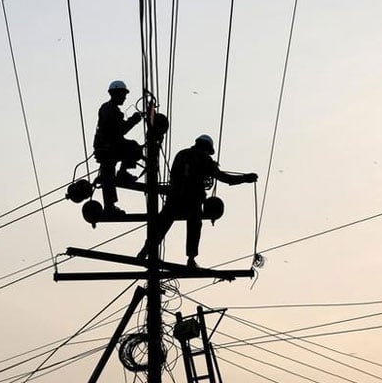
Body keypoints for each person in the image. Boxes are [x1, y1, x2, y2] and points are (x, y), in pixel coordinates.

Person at [138, 135, 258, 267]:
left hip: (174, 198)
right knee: (194, 225)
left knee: (162, 224)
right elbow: (225, 178)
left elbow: (174, 176)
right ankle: (191, 259)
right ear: (206, 148)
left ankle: (144, 252)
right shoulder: (205, 160)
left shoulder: (181, 154)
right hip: (192, 200)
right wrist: (245, 178)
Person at [93, 80, 144, 215]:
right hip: (108, 149)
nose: (125, 97)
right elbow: (120, 130)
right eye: (123, 94)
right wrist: (134, 120)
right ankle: (121, 177)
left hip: (106, 147)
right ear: (115, 94)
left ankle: (110, 205)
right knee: (133, 148)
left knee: (107, 176)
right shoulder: (111, 110)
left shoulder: (107, 108)